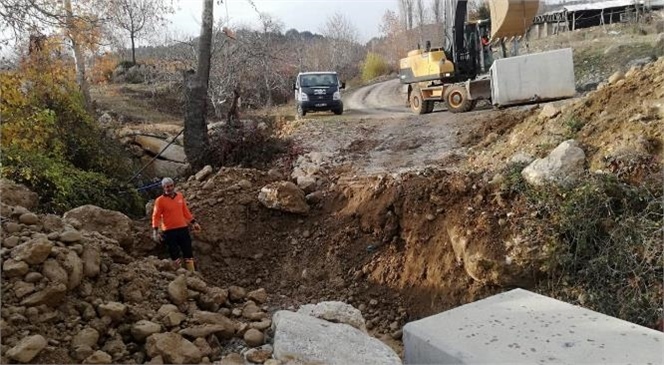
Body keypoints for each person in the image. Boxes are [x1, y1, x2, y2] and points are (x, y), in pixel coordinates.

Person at [151, 177, 201, 271]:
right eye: (167, 187)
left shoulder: (180, 196)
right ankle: (179, 273)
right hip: (169, 231)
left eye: (171, 186)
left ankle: (192, 273)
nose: (169, 188)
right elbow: (156, 216)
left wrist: (194, 222)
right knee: (174, 253)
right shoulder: (160, 201)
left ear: (174, 186)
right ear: (163, 188)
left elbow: (185, 211)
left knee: (188, 251)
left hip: (182, 228)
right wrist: (155, 230)